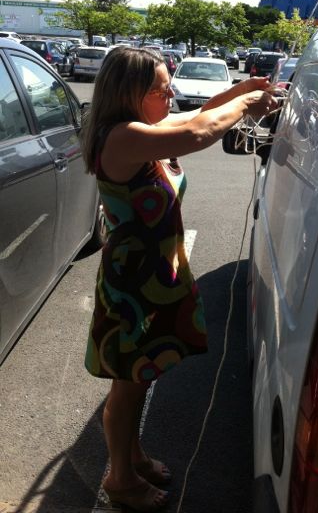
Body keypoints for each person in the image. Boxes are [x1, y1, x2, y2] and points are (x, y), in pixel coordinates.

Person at [81, 46, 277, 511]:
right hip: (134, 283)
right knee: (128, 386)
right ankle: (120, 479)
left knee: (140, 376)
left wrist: (242, 89)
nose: (170, 95)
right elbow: (198, 132)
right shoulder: (123, 137)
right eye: (160, 88)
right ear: (129, 93)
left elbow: (199, 116)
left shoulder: (144, 131)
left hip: (151, 276)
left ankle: (132, 456)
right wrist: (248, 104)